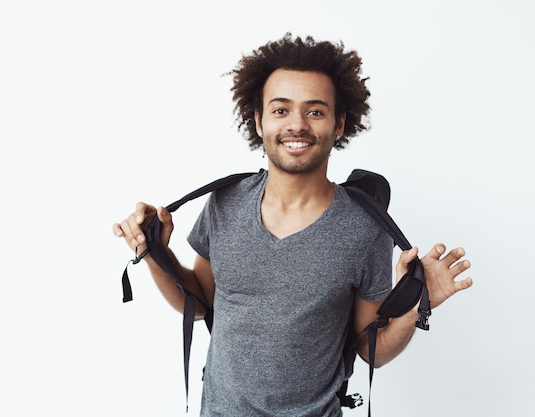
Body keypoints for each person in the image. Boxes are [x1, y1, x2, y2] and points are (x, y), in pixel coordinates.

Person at [113, 33, 473, 417]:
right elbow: (199, 303)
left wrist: (414, 308)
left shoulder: (365, 228)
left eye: (315, 111)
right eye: (281, 110)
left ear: (338, 125)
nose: (297, 125)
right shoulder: (225, 203)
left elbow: (372, 349)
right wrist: (155, 254)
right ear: (258, 120)